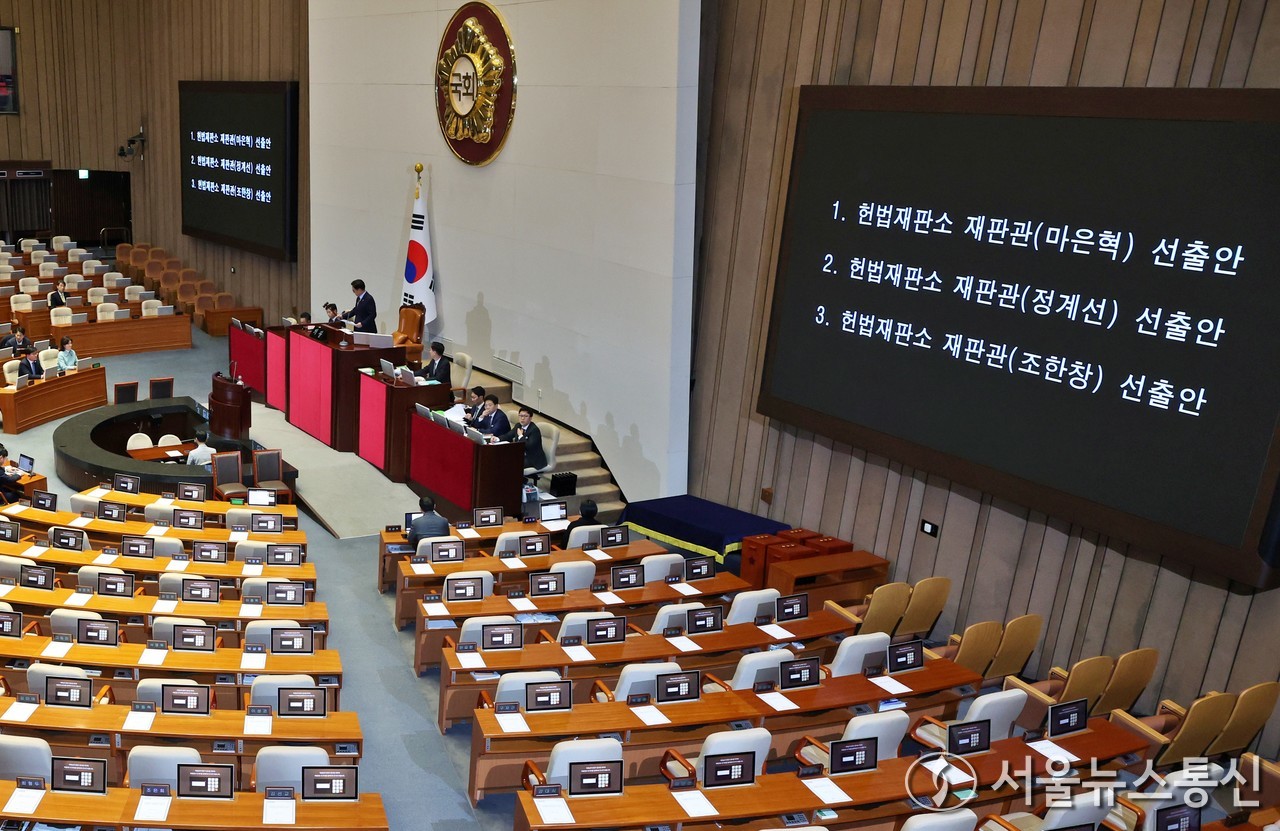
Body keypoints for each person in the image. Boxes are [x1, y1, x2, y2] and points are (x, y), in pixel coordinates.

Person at [495, 406, 548, 472]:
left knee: (512, 464)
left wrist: (520, 436)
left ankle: (517, 480)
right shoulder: (518, 425)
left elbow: (529, 446)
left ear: (530, 418)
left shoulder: (534, 430)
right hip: (520, 454)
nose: (522, 418)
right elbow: (508, 435)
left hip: (532, 458)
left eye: (525, 416)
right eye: (520, 416)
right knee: (502, 458)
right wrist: (497, 439)